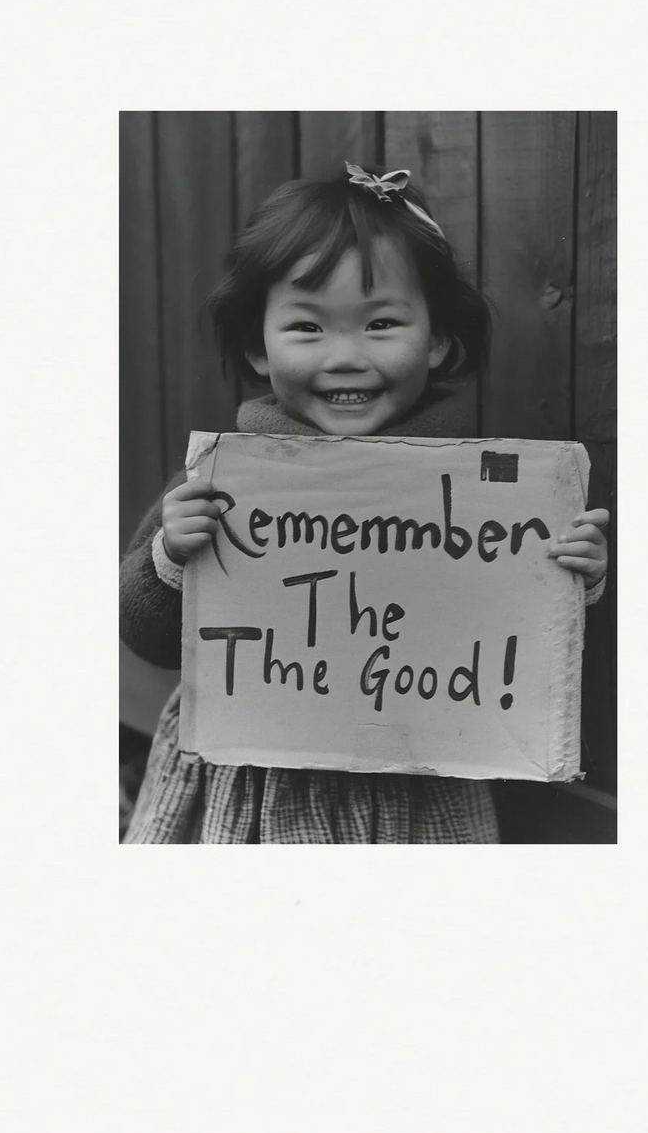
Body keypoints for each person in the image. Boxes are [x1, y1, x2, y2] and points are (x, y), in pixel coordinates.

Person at [120, 162, 609, 843]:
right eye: (308, 328)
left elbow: (516, 635)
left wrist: (569, 576)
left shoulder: (483, 500)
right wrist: (171, 554)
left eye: (380, 323)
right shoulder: (220, 484)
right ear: (258, 349)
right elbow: (143, 633)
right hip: (256, 778)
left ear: (436, 339)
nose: (345, 356)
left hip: (419, 781)